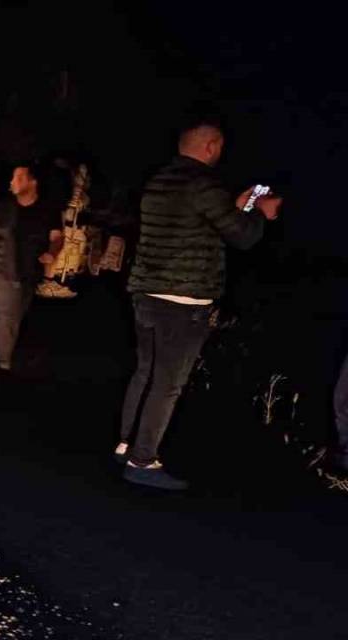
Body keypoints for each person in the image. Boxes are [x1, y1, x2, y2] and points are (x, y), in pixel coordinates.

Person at [117, 121, 282, 490]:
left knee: (145, 372)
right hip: (183, 299)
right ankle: (142, 462)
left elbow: (201, 219)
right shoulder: (204, 183)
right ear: (210, 146)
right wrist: (260, 213)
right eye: (219, 147)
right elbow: (242, 236)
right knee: (168, 383)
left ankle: (126, 444)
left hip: (146, 291)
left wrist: (238, 204)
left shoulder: (160, 179)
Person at [0, 161, 62, 372]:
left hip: (29, 274)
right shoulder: (5, 206)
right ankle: (3, 364)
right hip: (3, 273)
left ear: (32, 182)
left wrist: (51, 253)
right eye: (13, 177)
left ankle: (8, 358)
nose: (12, 182)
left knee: (15, 316)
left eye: (18, 177)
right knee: (7, 318)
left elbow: (57, 237)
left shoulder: (46, 210)